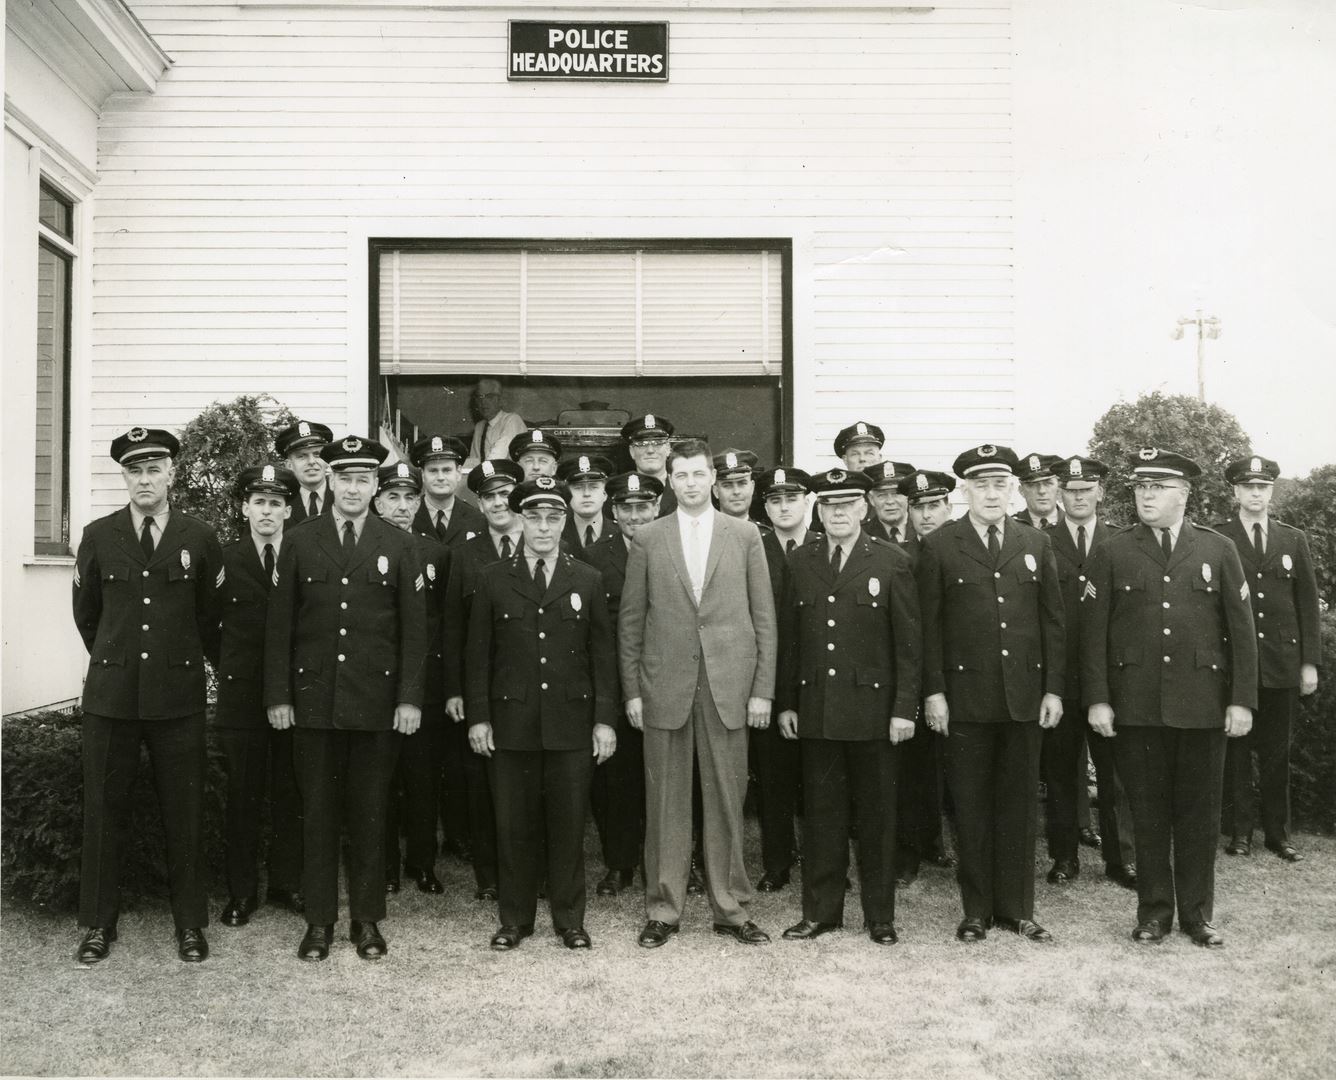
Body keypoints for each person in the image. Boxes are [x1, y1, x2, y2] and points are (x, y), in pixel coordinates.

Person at [1082, 447, 1258, 947]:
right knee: (1149, 814)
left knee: (1200, 817)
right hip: (1136, 707)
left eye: (1157, 487)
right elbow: (1093, 635)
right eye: (1141, 487)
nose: (1146, 496)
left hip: (1203, 706)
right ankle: (1154, 913)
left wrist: (1241, 700)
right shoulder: (1113, 550)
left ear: (1184, 494)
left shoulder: (1218, 549)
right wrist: (1098, 698)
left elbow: (1241, 633)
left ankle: (1197, 915)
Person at [264, 435, 428, 962]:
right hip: (312, 702)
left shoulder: (400, 545)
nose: (353, 488)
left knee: (370, 815)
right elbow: (280, 628)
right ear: (329, 481)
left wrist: (408, 699)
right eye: (344, 478)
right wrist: (279, 695)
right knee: (318, 815)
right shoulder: (299, 540)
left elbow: (414, 632)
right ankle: (318, 923)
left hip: (376, 704)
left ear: (376, 487)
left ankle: (367, 921)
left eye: (363, 479)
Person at [71, 427, 224, 964]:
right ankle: (97, 926)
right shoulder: (98, 534)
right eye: (135, 470)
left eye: (154, 469)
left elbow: (210, 618)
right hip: (112, 699)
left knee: (185, 812)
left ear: (171, 474)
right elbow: (87, 616)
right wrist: (116, 661)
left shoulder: (199, 536)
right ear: (124, 477)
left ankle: (189, 925)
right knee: (104, 812)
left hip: (177, 698)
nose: (144, 479)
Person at [619, 438, 778, 948]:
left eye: (698, 474)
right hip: (664, 684)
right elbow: (631, 622)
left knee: (727, 800)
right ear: (669, 480)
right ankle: (663, 909)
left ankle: (731, 908)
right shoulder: (648, 537)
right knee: (665, 801)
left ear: (714, 478)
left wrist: (762, 691)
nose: (691, 483)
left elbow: (764, 621)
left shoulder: (745, 534)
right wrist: (632, 692)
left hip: (728, 686)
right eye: (681, 474)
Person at [917, 444, 1065, 943]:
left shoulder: (1035, 542)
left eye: (1000, 484)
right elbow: (928, 629)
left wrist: (1053, 690)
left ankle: (1017, 909)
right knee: (972, 806)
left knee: (1020, 805)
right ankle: (976, 909)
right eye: (981, 485)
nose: (991, 493)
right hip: (965, 699)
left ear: (1012, 489)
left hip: (1023, 697)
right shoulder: (940, 544)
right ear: (965, 490)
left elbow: (1053, 622)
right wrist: (934, 692)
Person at [465, 476, 618, 950]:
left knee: (569, 825)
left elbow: (602, 656)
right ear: (520, 519)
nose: (545, 527)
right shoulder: (492, 577)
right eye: (534, 517)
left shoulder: (587, 578)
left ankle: (570, 920)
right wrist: (478, 717)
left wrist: (605, 720)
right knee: (513, 825)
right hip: (511, 723)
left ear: (565, 520)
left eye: (554, 517)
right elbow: (477, 654)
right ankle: (515, 919)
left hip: (571, 724)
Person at [777, 468, 921, 944]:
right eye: (829, 506)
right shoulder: (801, 561)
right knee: (822, 816)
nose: (838, 513)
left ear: (864, 509)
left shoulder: (891, 561)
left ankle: (880, 916)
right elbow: (790, 641)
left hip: (874, 713)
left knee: (878, 818)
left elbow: (908, 644)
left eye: (847, 505)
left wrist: (904, 708)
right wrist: (787, 704)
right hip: (817, 709)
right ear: (819, 511)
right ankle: (822, 912)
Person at [1216, 455, 1320, 862]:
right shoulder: (1220, 538)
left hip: (1281, 667)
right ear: (1236, 492)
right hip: (1235, 667)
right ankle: (1239, 833)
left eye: (1262, 487)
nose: (1255, 494)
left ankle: (1279, 835)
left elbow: (1307, 604)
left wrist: (1308, 663)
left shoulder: (1293, 540)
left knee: (1277, 755)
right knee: (1236, 756)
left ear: (1270, 492)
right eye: (1248, 487)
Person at [214, 464, 305, 927]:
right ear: (244, 508)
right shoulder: (223, 560)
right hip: (242, 700)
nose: (266, 511)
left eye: (275, 503)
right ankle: (241, 893)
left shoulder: (303, 557)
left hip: (296, 698)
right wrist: (232, 671)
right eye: (258, 502)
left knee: (292, 793)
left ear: (288, 509)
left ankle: (287, 884)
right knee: (243, 797)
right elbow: (207, 627)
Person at [1042, 456, 1136, 890]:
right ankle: (1064, 857)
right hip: (1060, 680)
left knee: (1116, 775)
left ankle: (1121, 859)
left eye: (1087, 490)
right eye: (1071, 491)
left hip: (1109, 683)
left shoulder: (1121, 541)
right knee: (1061, 773)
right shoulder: (1040, 541)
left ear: (1100, 493)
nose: (1079, 498)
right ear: (1060, 495)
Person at [440, 458, 527, 903]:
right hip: (482, 687)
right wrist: (456, 688)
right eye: (488, 496)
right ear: (479, 501)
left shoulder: (543, 540)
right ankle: (489, 876)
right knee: (483, 784)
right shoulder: (465, 553)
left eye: (505, 494)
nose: (498, 503)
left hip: (531, 685)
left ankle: (536, 872)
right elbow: (453, 626)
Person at [585, 471, 663, 896]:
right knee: (617, 781)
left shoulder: (674, 548)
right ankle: (620, 864)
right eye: (626, 508)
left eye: (643, 507)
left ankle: (668, 862)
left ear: (656, 508)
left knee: (666, 779)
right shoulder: (595, 557)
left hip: (666, 679)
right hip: (615, 683)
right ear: (613, 512)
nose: (635, 516)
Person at [374, 461, 450, 895]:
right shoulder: (368, 547)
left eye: (409, 497)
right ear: (378, 500)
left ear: (419, 502)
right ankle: (385, 865)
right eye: (392, 497)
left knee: (423, 781)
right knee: (380, 782)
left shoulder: (435, 553)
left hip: (424, 687)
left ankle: (423, 863)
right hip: (379, 686)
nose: (401, 506)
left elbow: (437, 624)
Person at [890, 469, 959, 886]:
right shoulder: (904, 557)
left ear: (948, 507)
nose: (927, 515)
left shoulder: (966, 549)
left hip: (967, 676)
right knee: (916, 769)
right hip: (921, 677)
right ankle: (910, 851)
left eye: (934, 506)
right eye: (919, 507)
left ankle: (940, 841)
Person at [751, 466, 814, 892]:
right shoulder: (752, 547)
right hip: (771, 680)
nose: (784, 506)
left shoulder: (827, 544)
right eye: (775, 500)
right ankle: (776, 862)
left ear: (808, 500)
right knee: (773, 778)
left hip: (819, 682)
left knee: (820, 782)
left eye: (791, 497)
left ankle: (822, 861)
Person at [410, 434, 485, 548]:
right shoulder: (408, 515)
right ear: (422, 475)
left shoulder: (477, 520)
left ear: (458, 473)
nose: (440, 477)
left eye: (446, 470)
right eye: (433, 471)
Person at [463, 377, 527, 470]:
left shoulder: (512, 420)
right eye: (480, 397)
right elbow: (474, 460)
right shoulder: (479, 427)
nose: (483, 402)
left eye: (489, 396)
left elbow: (497, 457)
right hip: (485, 477)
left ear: (500, 400)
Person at [276, 420, 334, 524]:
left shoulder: (343, 495)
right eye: (302, 456)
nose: (312, 462)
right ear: (289, 465)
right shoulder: (279, 501)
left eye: (317, 454)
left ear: (327, 460)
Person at [622, 414, 677, 516]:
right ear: (632, 451)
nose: (650, 450)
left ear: (668, 448)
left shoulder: (681, 487)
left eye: (658, 443)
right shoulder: (619, 492)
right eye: (642, 444)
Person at [558, 454, 613, 555]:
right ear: (567, 495)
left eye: (594, 487)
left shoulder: (620, 533)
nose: (586, 494)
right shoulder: (556, 534)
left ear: (605, 494)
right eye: (578, 488)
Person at [863, 461, 917, 548]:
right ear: (871, 499)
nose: (890, 501)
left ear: (908, 496)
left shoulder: (923, 527)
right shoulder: (861, 534)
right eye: (882, 495)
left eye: (897, 494)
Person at [1014, 453, 1063, 530]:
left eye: (1048, 483)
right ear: (1021, 491)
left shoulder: (1075, 523)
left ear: (1059, 488)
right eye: (1032, 485)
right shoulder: (1010, 527)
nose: (1041, 491)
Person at [711, 449, 760, 520]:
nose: (736, 492)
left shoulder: (761, 531)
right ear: (716, 491)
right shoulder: (706, 531)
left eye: (742, 483)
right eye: (727, 485)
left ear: (752, 487)